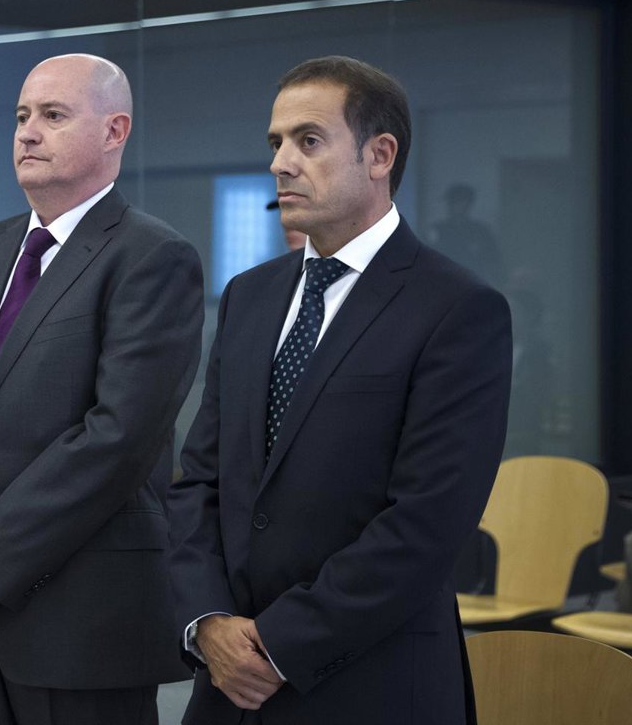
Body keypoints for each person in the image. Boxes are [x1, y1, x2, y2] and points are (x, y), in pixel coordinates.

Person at [167, 56, 512, 724]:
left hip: (371, 682)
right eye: (276, 142)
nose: (281, 163)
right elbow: (200, 482)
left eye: (309, 140)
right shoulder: (248, 297)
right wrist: (207, 622)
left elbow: (426, 524)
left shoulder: (457, 308)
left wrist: (279, 643)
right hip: (228, 686)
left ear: (380, 155)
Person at [0, 53, 203, 725]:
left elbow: (117, 436)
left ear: (115, 131)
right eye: (22, 116)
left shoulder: (152, 257)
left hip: (80, 621)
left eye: (53, 116)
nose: (27, 132)